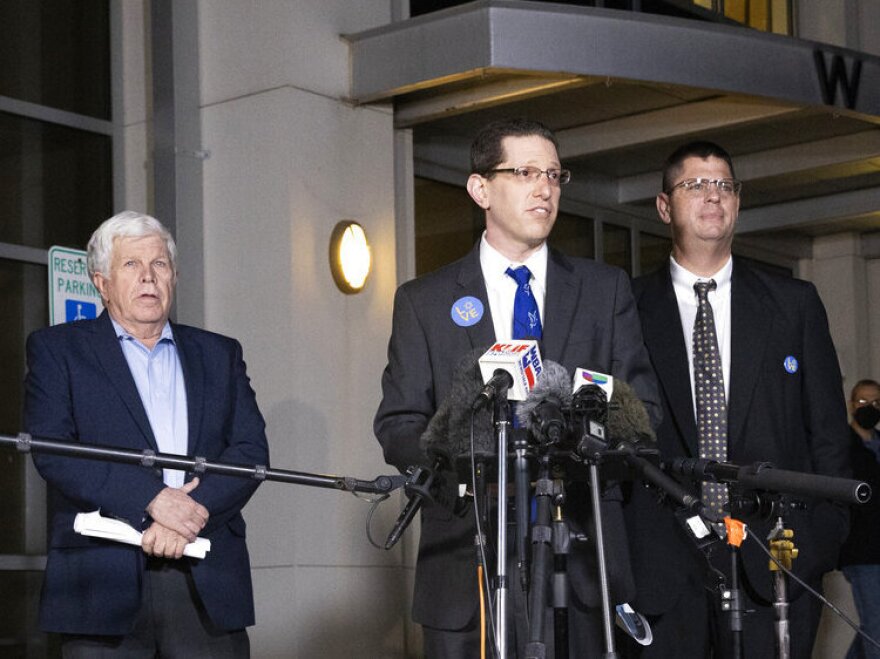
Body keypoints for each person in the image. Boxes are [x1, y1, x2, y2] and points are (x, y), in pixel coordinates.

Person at [374, 118, 661, 657]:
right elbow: (398, 424)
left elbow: (644, 412)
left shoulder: (604, 290)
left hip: (584, 568)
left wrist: (579, 432)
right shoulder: (425, 301)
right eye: (525, 172)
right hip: (467, 565)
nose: (545, 188)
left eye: (554, 174)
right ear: (481, 188)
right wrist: (467, 459)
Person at [623, 141, 851, 658]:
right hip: (661, 572)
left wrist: (822, 540)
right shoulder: (627, 308)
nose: (713, 195)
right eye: (695, 185)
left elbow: (828, 434)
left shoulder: (792, 304)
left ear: (738, 203)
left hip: (776, 565)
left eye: (724, 185)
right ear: (664, 207)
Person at [25, 211, 269, 657]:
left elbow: (251, 452)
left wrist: (190, 512)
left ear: (174, 276)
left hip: (206, 578)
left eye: (159, 265)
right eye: (131, 265)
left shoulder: (220, 354)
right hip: (101, 583)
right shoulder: (58, 350)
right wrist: (153, 500)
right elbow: (54, 451)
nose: (148, 278)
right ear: (101, 282)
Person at [839, 379, 880, 659]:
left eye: (876, 402)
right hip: (861, 550)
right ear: (852, 404)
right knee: (876, 627)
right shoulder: (842, 446)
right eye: (863, 401)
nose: (869, 407)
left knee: (872, 626)